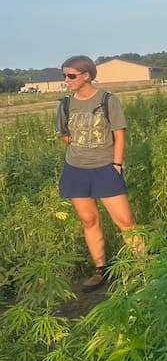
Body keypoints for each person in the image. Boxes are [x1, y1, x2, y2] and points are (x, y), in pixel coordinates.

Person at [55, 55, 137, 291]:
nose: (66, 80)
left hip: (105, 168)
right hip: (75, 170)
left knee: (125, 221)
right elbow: (63, 134)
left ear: (86, 76)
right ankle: (100, 269)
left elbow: (119, 134)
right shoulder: (65, 104)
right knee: (89, 220)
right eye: (64, 75)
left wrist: (116, 165)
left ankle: (143, 266)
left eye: (71, 75)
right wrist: (80, 145)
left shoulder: (107, 100)